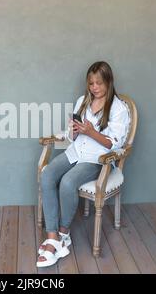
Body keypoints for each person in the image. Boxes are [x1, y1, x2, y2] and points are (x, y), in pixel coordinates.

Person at [37, 61, 130, 267]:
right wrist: (75, 131)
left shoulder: (118, 108)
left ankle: (64, 233)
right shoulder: (82, 101)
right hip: (76, 152)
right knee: (48, 175)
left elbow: (114, 144)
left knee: (68, 182)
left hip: (97, 159)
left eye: (98, 83)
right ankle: (53, 236)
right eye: (91, 83)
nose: (94, 87)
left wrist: (91, 132)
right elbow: (72, 137)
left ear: (108, 82)